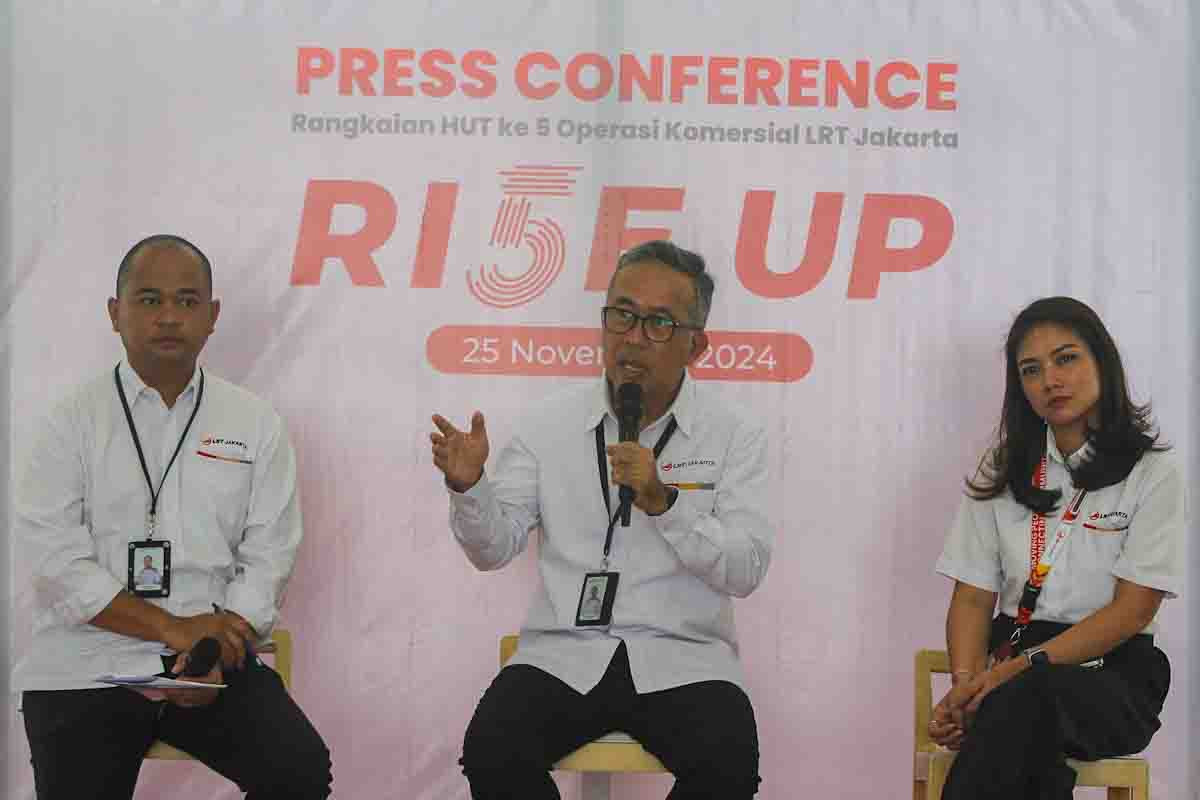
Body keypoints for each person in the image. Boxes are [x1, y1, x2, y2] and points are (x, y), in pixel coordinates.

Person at [431, 240, 772, 799]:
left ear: (696, 345)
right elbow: (493, 548)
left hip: (685, 658)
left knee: (728, 762)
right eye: (622, 315)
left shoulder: (735, 435)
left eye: (658, 323)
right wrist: (470, 488)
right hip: (563, 652)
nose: (632, 337)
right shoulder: (546, 425)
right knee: (493, 747)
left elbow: (746, 568)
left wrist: (666, 503)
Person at [13, 234, 332, 799]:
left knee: (299, 772)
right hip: (85, 663)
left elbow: (270, 553)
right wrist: (170, 628)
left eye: (186, 302)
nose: (168, 317)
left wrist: (220, 645)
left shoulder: (255, 422)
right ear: (116, 312)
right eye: (149, 300)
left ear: (212, 316)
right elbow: (58, 562)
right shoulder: (69, 422)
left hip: (211, 657)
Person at [930, 297, 1181, 799]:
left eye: (1065, 358)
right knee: (1023, 730)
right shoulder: (1001, 469)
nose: (1050, 380)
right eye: (1031, 369)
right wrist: (966, 684)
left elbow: (1133, 611)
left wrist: (1012, 673)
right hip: (1012, 658)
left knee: (1024, 698)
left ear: (1102, 362)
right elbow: (973, 597)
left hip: (1113, 674)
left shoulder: (1153, 472)